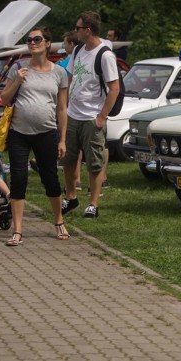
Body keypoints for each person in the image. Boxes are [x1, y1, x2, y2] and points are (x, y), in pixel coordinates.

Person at [1, 26, 69, 246]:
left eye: (37, 39)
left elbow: (61, 108)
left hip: (47, 133)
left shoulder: (59, 72)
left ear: (48, 43)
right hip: (19, 133)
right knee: (18, 179)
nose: (32, 43)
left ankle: (58, 221)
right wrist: (18, 80)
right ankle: (18, 230)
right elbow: (4, 98)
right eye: (29, 40)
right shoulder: (18, 67)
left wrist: (62, 139)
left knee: (50, 179)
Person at [62, 11, 120, 218]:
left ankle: (93, 204)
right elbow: (69, 78)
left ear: (88, 30)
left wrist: (102, 116)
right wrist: (64, 106)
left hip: (92, 116)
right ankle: (70, 198)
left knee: (94, 162)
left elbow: (114, 87)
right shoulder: (77, 50)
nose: (75, 31)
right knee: (68, 159)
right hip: (72, 115)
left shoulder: (105, 55)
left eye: (78, 28)